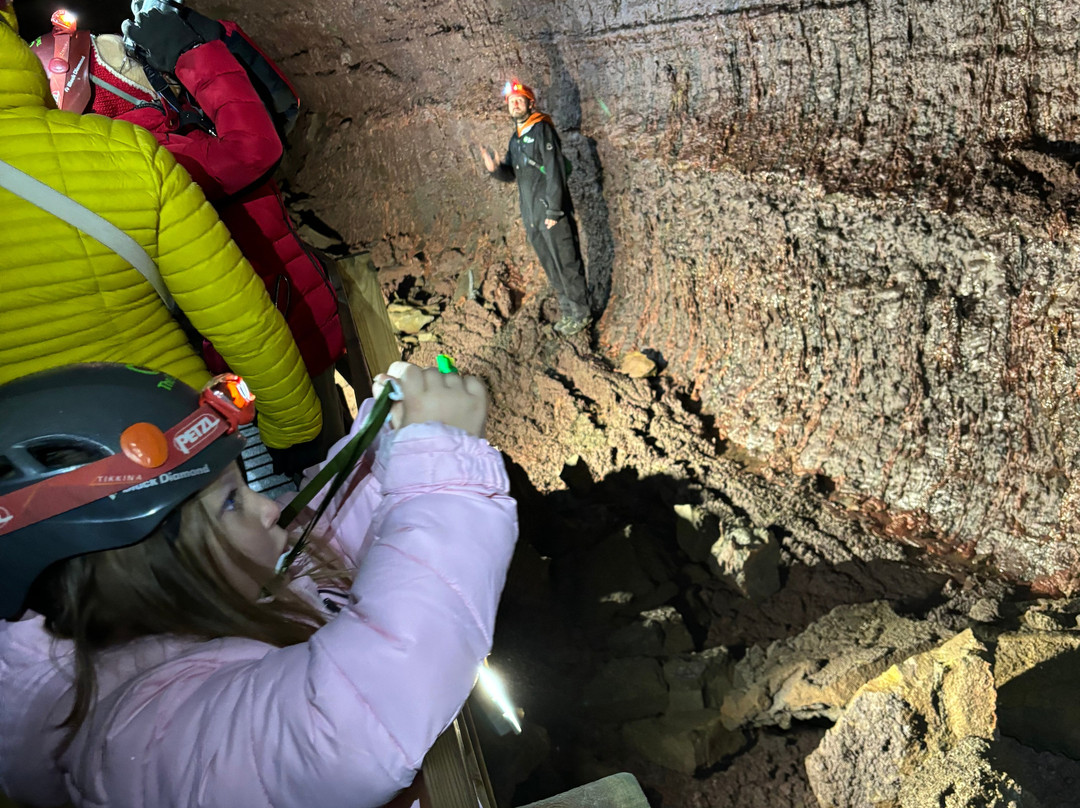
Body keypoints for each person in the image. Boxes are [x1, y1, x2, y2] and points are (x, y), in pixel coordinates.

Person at [0, 360, 517, 808]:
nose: (269, 507)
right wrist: (441, 477)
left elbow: (312, 560)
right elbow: (348, 724)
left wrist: (389, 457)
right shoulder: (143, 742)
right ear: (137, 567)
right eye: (231, 501)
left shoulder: (188, 601)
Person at [28, 5, 349, 473]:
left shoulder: (171, 129)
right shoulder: (146, 161)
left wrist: (206, 34)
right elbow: (253, 149)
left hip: (286, 326)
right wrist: (192, 53)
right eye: (117, 59)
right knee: (324, 478)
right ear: (99, 92)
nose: (136, 60)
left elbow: (280, 105)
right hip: (272, 348)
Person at [481, 79, 591, 336]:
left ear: (530, 104)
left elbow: (554, 170)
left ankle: (581, 313)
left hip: (551, 212)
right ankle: (568, 312)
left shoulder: (542, 129)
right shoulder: (515, 140)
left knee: (566, 262)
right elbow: (513, 174)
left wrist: (554, 210)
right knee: (551, 265)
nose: (515, 104)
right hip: (532, 216)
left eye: (519, 100)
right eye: (511, 101)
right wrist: (496, 169)